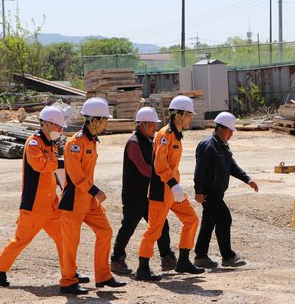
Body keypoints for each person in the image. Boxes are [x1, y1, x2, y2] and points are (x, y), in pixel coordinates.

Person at [0, 106, 89, 287]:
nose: (61, 130)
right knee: (21, 240)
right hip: (35, 205)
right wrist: (59, 162)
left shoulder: (50, 143)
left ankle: (70, 273)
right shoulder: (33, 142)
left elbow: (53, 171)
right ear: (49, 124)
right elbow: (39, 165)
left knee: (64, 238)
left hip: (51, 204)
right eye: (59, 127)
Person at [58, 97, 126, 295]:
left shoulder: (92, 141)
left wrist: (92, 194)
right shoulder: (75, 143)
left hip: (88, 200)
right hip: (74, 201)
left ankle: (103, 276)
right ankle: (68, 281)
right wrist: (95, 190)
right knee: (71, 243)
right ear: (94, 121)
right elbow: (75, 174)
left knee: (105, 232)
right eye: (104, 120)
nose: (106, 125)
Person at [136, 95, 204, 281]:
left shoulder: (176, 135)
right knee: (154, 230)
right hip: (162, 189)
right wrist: (174, 185)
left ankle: (183, 261)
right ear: (179, 115)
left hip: (173, 190)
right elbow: (159, 164)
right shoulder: (165, 135)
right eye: (189, 115)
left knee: (191, 219)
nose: (191, 118)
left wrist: (175, 186)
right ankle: (143, 267)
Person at [111, 107, 177, 275]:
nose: (155, 127)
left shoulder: (150, 141)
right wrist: (162, 177)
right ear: (143, 124)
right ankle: (117, 258)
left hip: (148, 194)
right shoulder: (133, 143)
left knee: (161, 224)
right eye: (153, 124)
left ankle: (166, 257)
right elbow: (142, 168)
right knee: (128, 227)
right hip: (134, 195)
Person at [193, 112, 259, 268]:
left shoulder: (222, 145)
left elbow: (231, 166)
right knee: (224, 219)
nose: (231, 134)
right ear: (220, 128)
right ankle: (228, 257)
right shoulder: (208, 145)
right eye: (229, 130)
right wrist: (198, 191)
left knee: (208, 223)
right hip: (209, 193)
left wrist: (247, 179)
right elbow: (199, 170)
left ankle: (200, 256)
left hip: (217, 193)